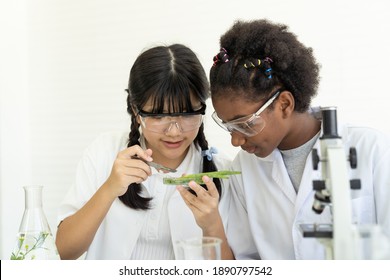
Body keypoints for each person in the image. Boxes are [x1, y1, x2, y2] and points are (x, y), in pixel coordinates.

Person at [209, 19, 390, 259]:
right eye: (227, 125)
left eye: (245, 124)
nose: (235, 141)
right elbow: (247, 261)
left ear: (284, 104)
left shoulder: (372, 150)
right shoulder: (245, 168)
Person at [55, 44, 232, 260]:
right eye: (158, 116)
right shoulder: (104, 151)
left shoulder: (221, 170)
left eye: (187, 114)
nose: (174, 131)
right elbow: (63, 252)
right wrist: (110, 188)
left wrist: (212, 225)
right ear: (137, 112)